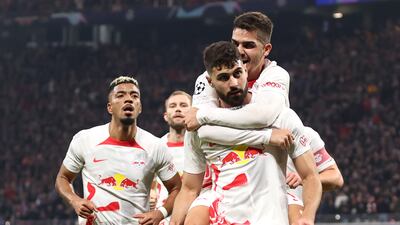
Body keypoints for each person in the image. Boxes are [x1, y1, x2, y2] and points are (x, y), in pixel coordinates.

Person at [170, 41, 321, 225]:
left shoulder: (280, 117)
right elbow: (190, 189)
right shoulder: (197, 127)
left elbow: (310, 176)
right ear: (210, 82)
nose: (233, 83)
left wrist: (308, 216)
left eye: (237, 73)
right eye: (224, 78)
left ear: (246, 71)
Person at [55, 76, 181, 225]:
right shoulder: (86, 140)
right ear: (110, 107)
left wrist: (161, 213)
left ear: (139, 107)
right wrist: (74, 200)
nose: (128, 99)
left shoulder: (155, 146)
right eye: (120, 95)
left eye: (134, 96)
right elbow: (62, 179)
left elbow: (177, 187)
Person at [184, 11, 290, 131]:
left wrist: (203, 116)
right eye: (235, 43)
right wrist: (267, 137)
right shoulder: (208, 77)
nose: (239, 51)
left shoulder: (276, 75)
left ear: (266, 49)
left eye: (248, 45)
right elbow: (204, 132)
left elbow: (262, 117)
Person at [286, 127, 344, 224]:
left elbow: (336, 178)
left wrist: (306, 178)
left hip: (299, 217)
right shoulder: (254, 137)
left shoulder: (304, 135)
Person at [151, 90, 192, 224]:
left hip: (193, 215)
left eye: (183, 105)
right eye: (173, 106)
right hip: (163, 217)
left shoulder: (203, 147)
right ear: (165, 116)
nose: (178, 109)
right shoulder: (155, 147)